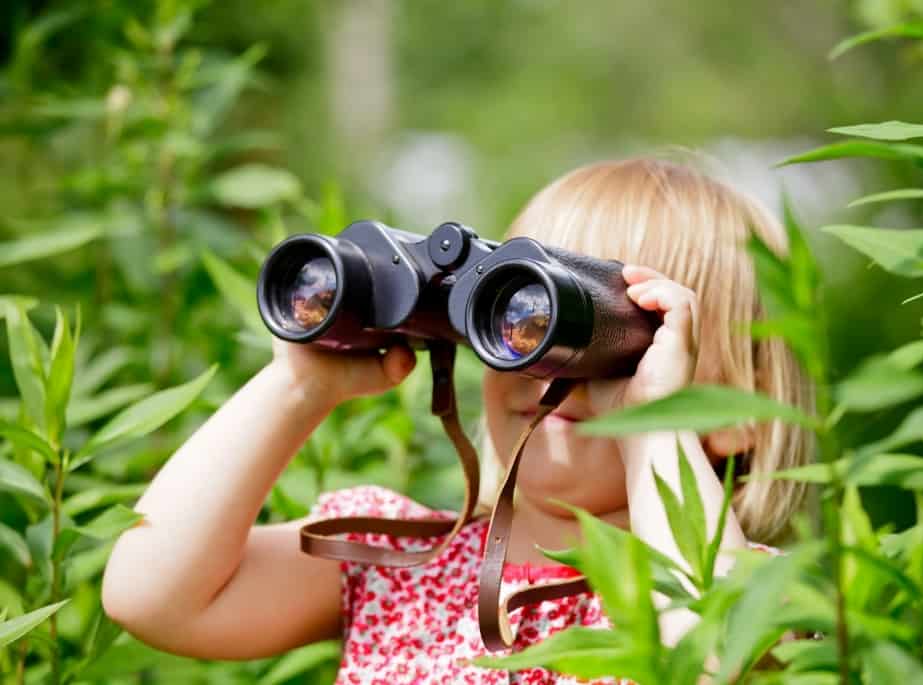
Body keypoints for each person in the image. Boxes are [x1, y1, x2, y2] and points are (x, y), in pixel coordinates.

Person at [101, 157, 814, 684]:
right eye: (521, 308)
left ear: (743, 411)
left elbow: (715, 653)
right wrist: (299, 382)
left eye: (621, 334)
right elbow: (152, 595)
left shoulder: (761, 590)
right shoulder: (401, 565)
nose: (552, 367)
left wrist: (657, 418)